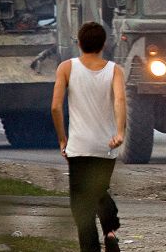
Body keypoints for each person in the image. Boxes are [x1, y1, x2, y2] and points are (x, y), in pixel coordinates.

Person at [51, 21, 126, 252]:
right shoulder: (115, 70)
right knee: (99, 190)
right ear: (104, 45)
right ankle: (110, 231)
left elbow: (55, 107)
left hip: (79, 147)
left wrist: (62, 139)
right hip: (106, 146)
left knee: (82, 205)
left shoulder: (66, 68)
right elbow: (119, 100)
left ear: (79, 43)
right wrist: (120, 132)